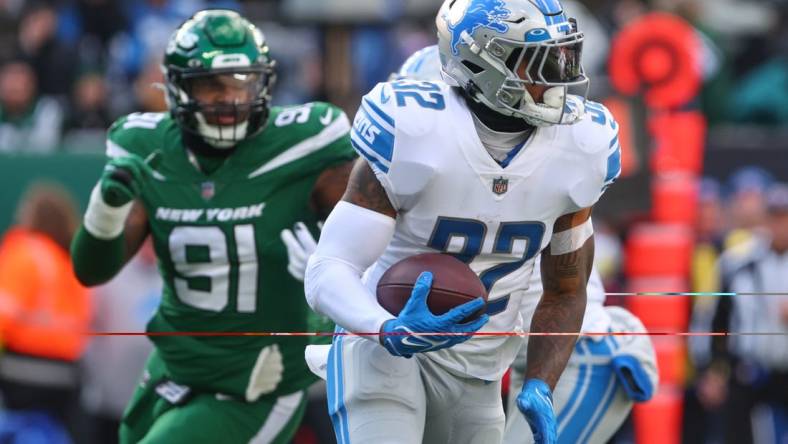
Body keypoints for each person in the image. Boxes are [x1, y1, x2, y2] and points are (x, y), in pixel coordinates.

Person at [287, 42, 658, 444]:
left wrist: (541, 382)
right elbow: (331, 268)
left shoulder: (573, 151)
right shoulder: (411, 136)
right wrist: (380, 324)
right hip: (387, 357)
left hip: (481, 370)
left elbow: (567, 295)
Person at [70, 10, 355, 444]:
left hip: (258, 378)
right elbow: (91, 271)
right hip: (177, 361)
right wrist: (107, 208)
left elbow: (375, 233)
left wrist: (329, 270)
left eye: (243, 82)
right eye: (211, 85)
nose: (231, 98)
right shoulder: (147, 149)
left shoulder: (307, 144)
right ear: (177, 89)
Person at [0, 182, 91, 442]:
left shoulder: (25, 253)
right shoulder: (70, 262)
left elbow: (3, 317)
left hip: (21, 374)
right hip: (66, 376)